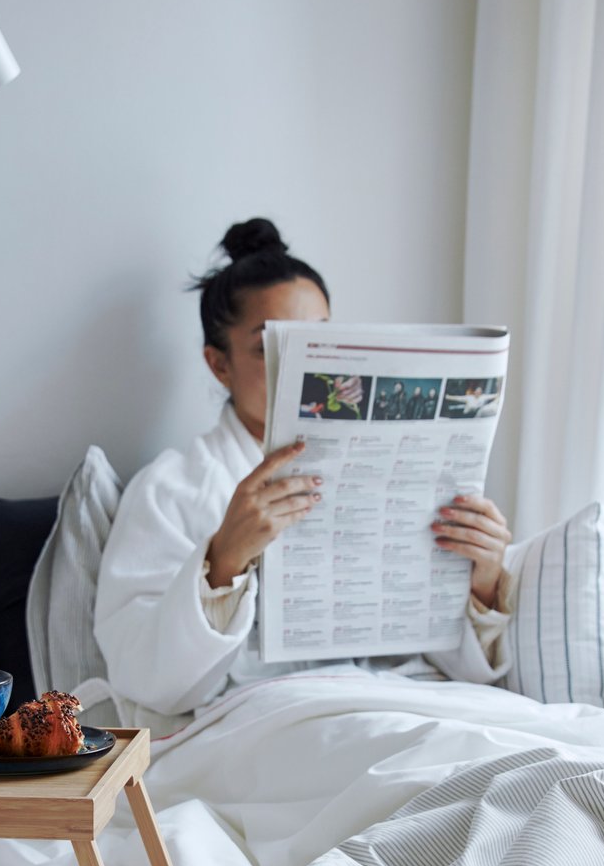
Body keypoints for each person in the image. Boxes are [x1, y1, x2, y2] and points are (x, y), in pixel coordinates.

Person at [94, 218, 514, 724]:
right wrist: (222, 561)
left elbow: (460, 668)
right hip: (276, 721)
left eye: (319, 343)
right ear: (219, 364)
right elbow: (144, 678)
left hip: (413, 702)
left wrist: (483, 580)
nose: (305, 369)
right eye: (271, 348)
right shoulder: (172, 489)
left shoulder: (400, 472)